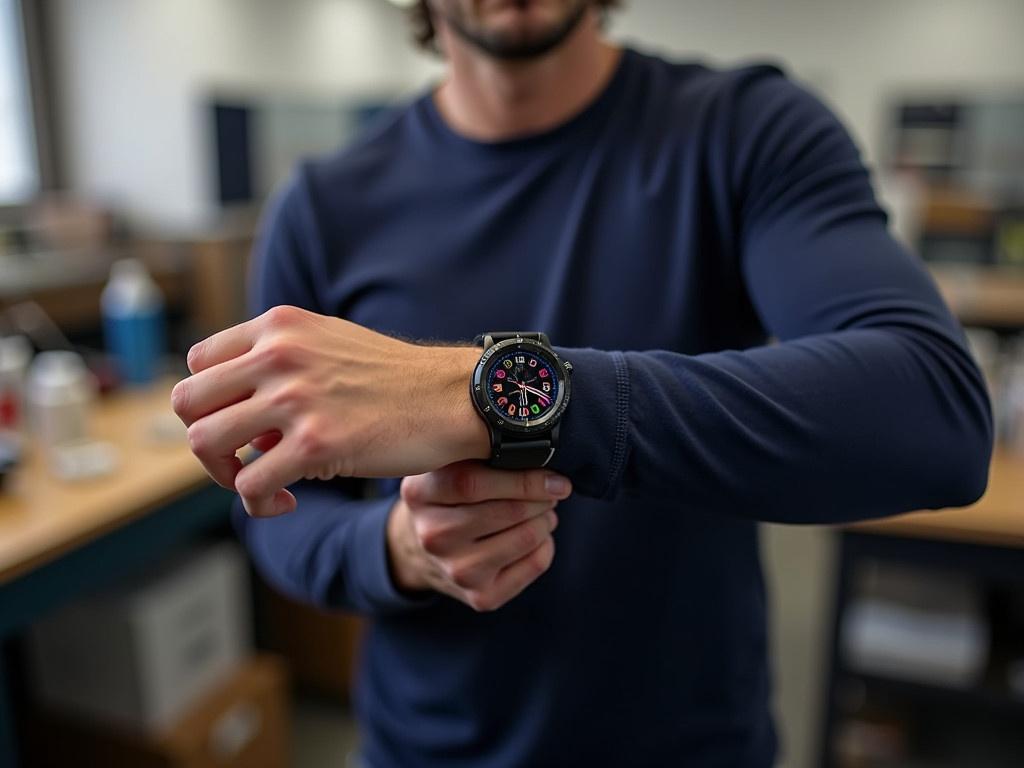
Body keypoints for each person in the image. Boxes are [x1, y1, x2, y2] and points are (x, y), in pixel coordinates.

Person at [171, 1, 993, 765]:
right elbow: (273, 512)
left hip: (691, 742)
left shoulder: (745, 130)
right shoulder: (321, 208)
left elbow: (931, 409)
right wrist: (394, 551)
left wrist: (479, 393)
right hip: (428, 745)